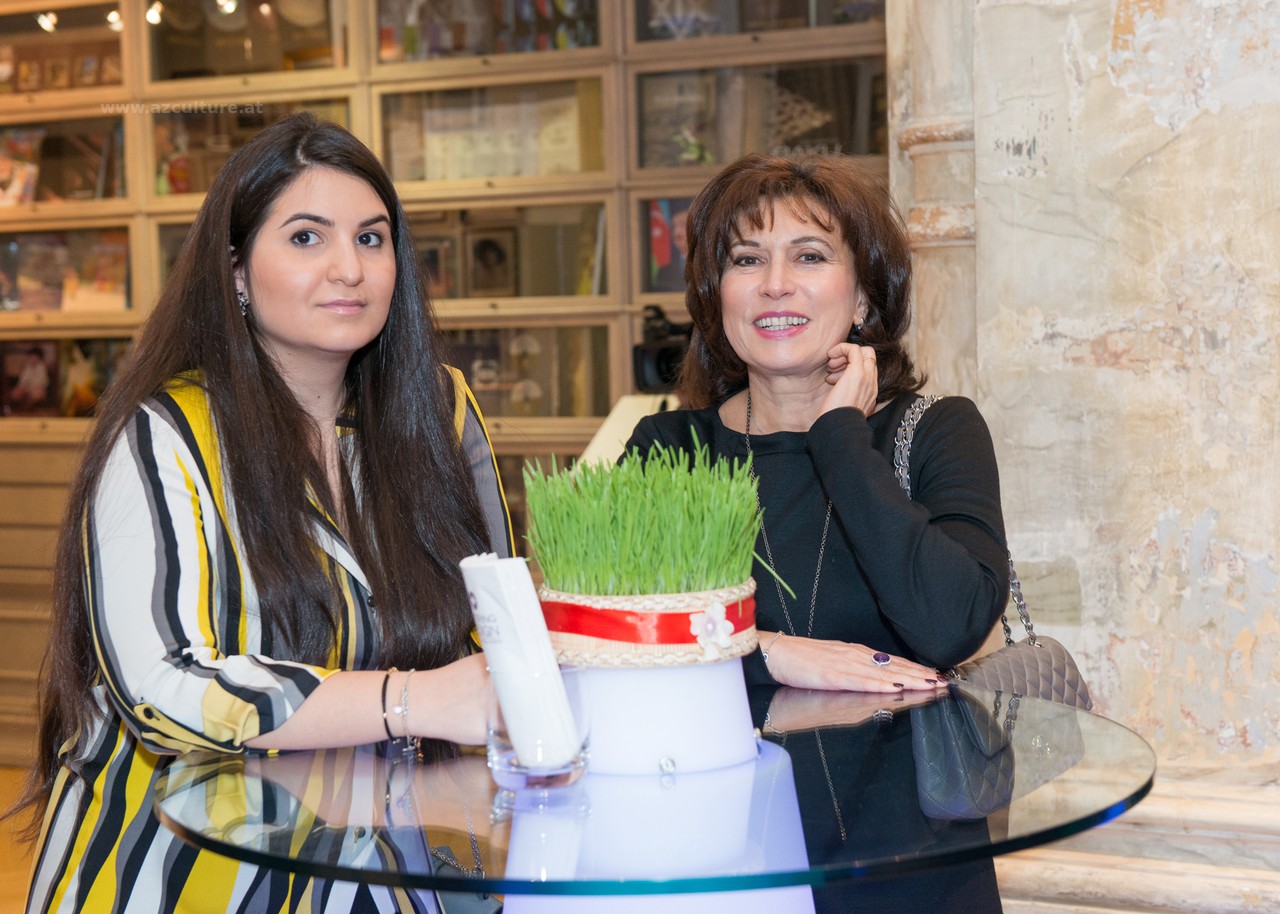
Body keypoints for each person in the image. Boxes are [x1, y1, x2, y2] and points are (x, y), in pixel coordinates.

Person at [12, 113, 514, 913]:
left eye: (372, 238)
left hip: (381, 868)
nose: (349, 267)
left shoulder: (439, 411)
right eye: (307, 238)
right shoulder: (166, 432)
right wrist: (409, 700)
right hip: (177, 875)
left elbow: (496, 625)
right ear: (237, 272)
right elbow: (165, 682)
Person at [623, 153, 1008, 910]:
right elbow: (619, 652)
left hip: (914, 871)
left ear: (863, 294)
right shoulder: (668, 452)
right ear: (716, 296)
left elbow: (950, 624)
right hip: (723, 860)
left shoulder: (935, 432)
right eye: (746, 259)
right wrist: (771, 650)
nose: (775, 283)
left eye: (809, 255)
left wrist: (838, 436)